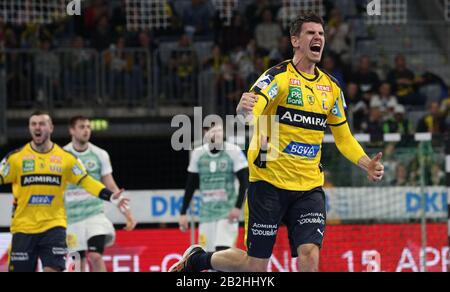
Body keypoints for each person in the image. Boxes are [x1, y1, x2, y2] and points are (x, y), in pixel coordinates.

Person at [170, 12, 384, 273]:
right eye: (310, 33)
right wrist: (248, 116)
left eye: (321, 33)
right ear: (295, 40)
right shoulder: (277, 76)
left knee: (310, 252)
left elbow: (344, 137)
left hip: (309, 186)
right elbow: (253, 106)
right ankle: (198, 260)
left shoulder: (332, 88)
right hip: (268, 182)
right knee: (255, 265)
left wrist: (366, 164)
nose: (318, 38)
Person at [0, 111, 129, 272]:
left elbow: (87, 182)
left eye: (42, 124)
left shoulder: (66, 158)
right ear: (29, 128)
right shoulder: (15, 158)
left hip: (54, 227)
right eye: (33, 124)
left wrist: (110, 196)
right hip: (23, 228)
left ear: (51, 128)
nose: (37, 127)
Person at [64, 116, 137, 272]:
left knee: (95, 256)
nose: (86, 130)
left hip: (94, 216)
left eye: (88, 127)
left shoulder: (100, 154)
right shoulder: (62, 155)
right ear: (72, 130)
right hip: (71, 219)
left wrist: (127, 213)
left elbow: (110, 185)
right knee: (78, 265)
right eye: (82, 127)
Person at [178, 125, 249, 254]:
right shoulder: (198, 153)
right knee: (206, 254)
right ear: (206, 134)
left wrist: (238, 207)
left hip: (227, 212)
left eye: (219, 130)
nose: (216, 134)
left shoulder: (233, 151)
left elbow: (244, 182)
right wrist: (183, 213)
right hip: (207, 213)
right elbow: (191, 185)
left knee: (223, 252)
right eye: (212, 131)